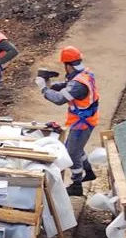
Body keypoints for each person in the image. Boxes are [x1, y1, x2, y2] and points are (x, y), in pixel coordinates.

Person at [40, 45, 99, 188]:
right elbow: (69, 85)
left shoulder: (78, 85)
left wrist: (44, 89)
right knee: (78, 148)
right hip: (87, 120)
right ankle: (88, 171)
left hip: (82, 123)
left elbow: (60, 99)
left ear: (68, 65)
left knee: (71, 152)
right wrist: (53, 86)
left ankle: (76, 184)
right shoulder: (85, 73)